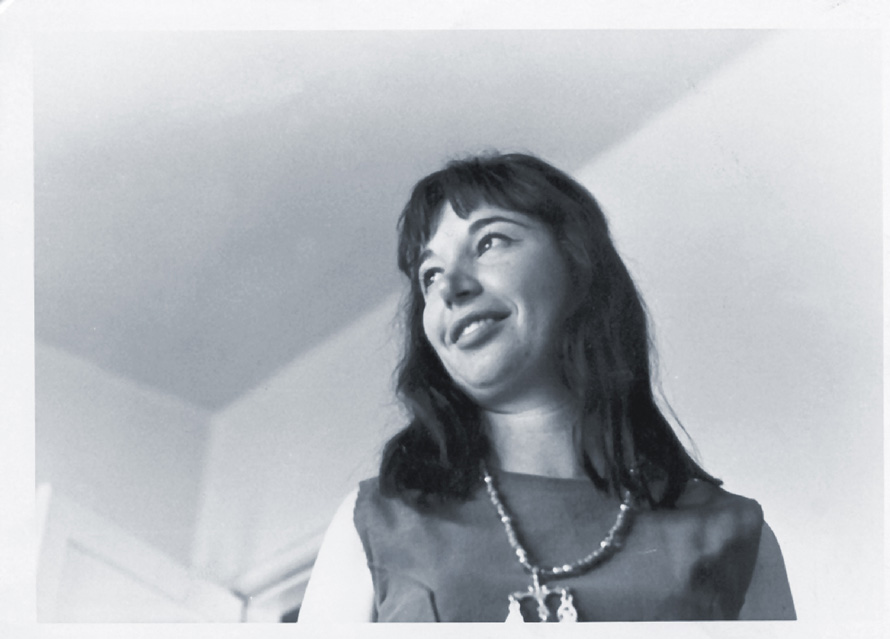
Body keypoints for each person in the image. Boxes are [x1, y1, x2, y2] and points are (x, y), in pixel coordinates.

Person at [299, 152, 795, 623]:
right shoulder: (374, 525)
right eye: (429, 275)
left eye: (490, 242)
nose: (450, 287)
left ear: (578, 265)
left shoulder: (735, 536)